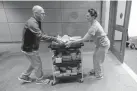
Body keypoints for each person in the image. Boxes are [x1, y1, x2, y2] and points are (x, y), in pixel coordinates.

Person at [18, 5, 62, 84]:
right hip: (29, 48)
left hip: (28, 47)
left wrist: (52, 38)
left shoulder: (36, 21)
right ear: (36, 13)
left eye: (44, 13)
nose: (44, 15)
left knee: (34, 63)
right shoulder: (32, 23)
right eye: (42, 13)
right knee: (37, 63)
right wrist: (55, 39)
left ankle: (24, 76)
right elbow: (41, 36)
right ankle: (40, 79)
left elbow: (41, 33)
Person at [66, 8, 110, 79]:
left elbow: (84, 39)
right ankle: (96, 70)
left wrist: (71, 42)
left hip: (103, 45)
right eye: (86, 15)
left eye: (88, 16)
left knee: (98, 59)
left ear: (93, 17)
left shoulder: (94, 26)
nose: (86, 17)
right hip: (99, 44)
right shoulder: (93, 23)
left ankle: (99, 75)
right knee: (95, 56)